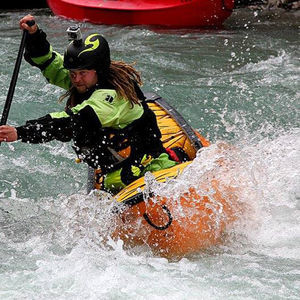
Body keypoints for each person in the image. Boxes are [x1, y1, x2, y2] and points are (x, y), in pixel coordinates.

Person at [0, 15, 177, 193]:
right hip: (117, 172)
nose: (76, 79)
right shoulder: (87, 80)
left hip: (146, 170)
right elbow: (51, 63)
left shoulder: (112, 97)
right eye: (73, 73)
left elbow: (72, 122)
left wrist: (20, 132)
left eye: (82, 73)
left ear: (98, 69)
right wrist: (34, 35)